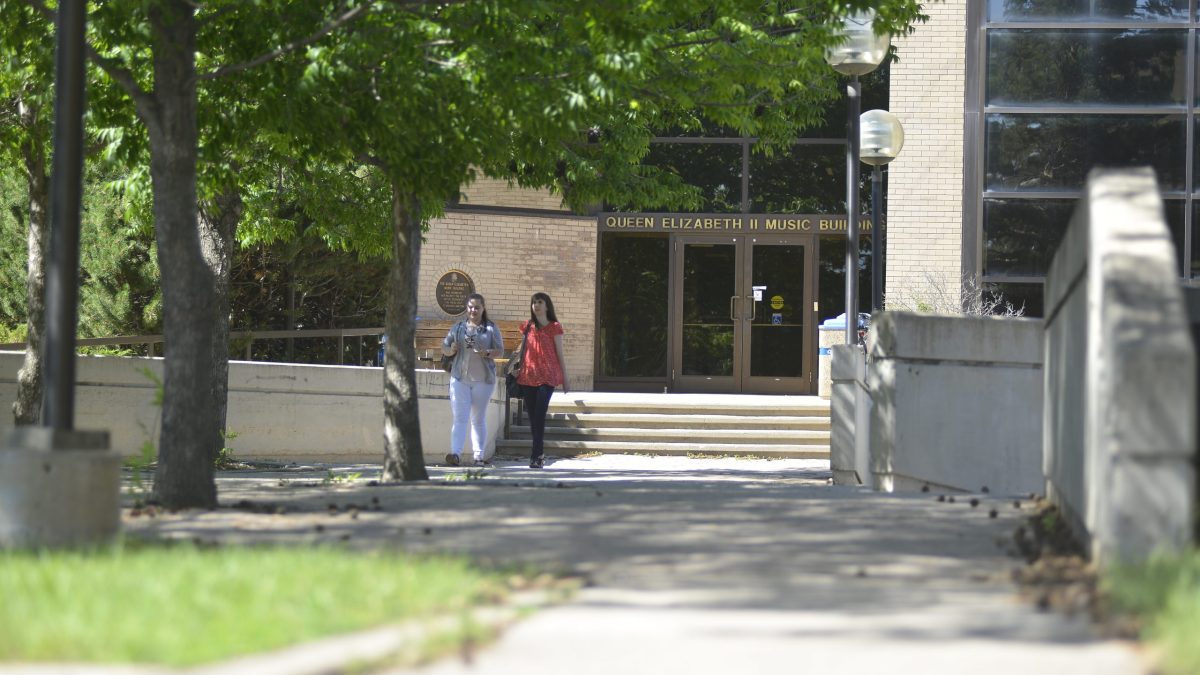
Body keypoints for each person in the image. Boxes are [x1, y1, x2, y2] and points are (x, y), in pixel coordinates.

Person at [441, 293, 505, 466]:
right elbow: (444, 346)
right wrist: (451, 349)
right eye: (470, 307)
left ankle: (478, 456)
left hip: (483, 380)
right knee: (460, 418)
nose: (473, 310)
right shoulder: (458, 327)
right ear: (466, 308)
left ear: (483, 309)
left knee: (478, 418)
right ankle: (455, 454)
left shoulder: (491, 328)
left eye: (477, 307)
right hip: (460, 378)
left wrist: (489, 353)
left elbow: (501, 350)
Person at [515, 292, 569, 469]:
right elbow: (521, 350)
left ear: (547, 306)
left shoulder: (555, 327)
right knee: (532, 417)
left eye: (540, 302)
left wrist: (565, 378)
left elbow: (560, 353)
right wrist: (515, 367)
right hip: (528, 375)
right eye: (533, 302)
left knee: (539, 414)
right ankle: (538, 453)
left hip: (548, 376)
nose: (536, 305)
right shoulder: (527, 326)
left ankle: (536, 455)